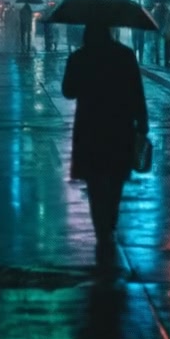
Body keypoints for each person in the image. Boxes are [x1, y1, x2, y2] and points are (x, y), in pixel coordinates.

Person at [62, 23, 148, 259]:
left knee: (94, 179)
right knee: (116, 175)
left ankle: (101, 227)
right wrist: (142, 122)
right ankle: (110, 222)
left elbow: (68, 91)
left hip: (89, 127)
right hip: (119, 125)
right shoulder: (125, 56)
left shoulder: (79, 57)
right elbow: (136, 91)